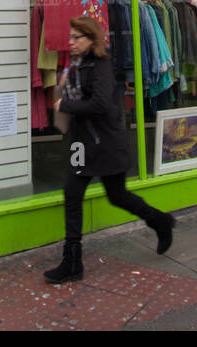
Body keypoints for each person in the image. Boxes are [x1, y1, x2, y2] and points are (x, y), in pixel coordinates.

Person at [44, 17, 175, 284]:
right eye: (70, 37)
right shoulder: (77, 64)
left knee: (118, 196)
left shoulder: (101, 65)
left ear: (91, 39)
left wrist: (64, 106)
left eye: (76, 38)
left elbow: (101, 104)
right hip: (82, 143)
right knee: (72, 195)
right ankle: (72, 262)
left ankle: (160, 221)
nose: (70, 42)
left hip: (105, 144)